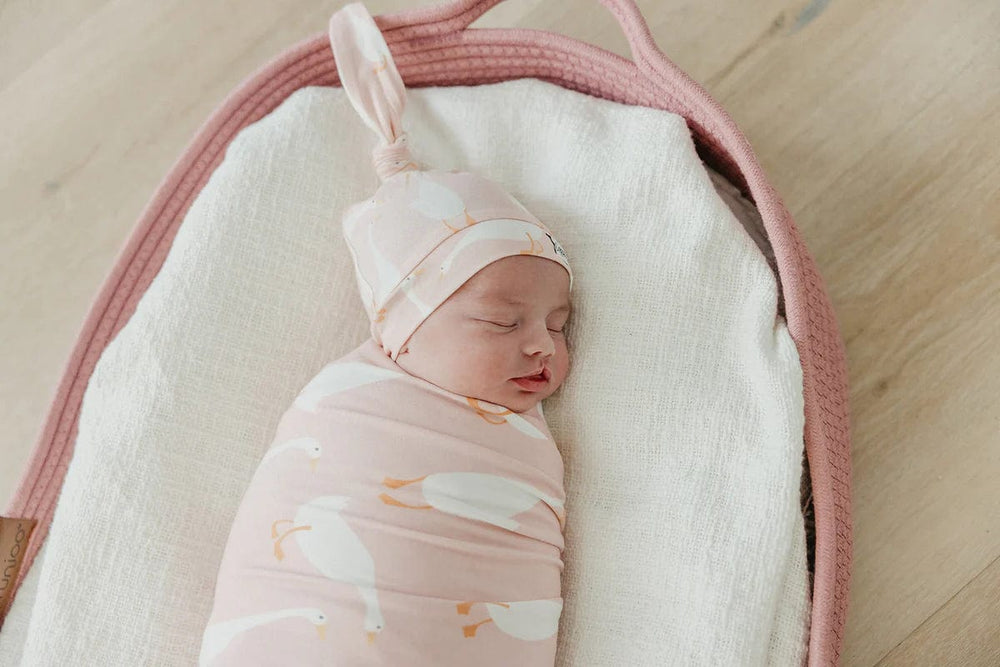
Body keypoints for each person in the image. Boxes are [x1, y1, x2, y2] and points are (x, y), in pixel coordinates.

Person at [198, 3, 574, 665]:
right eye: (502, 320)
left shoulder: (523, 443)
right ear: (405, 325)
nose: (543, 342)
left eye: (558, 324)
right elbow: (291, 516)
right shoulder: (347, 403)